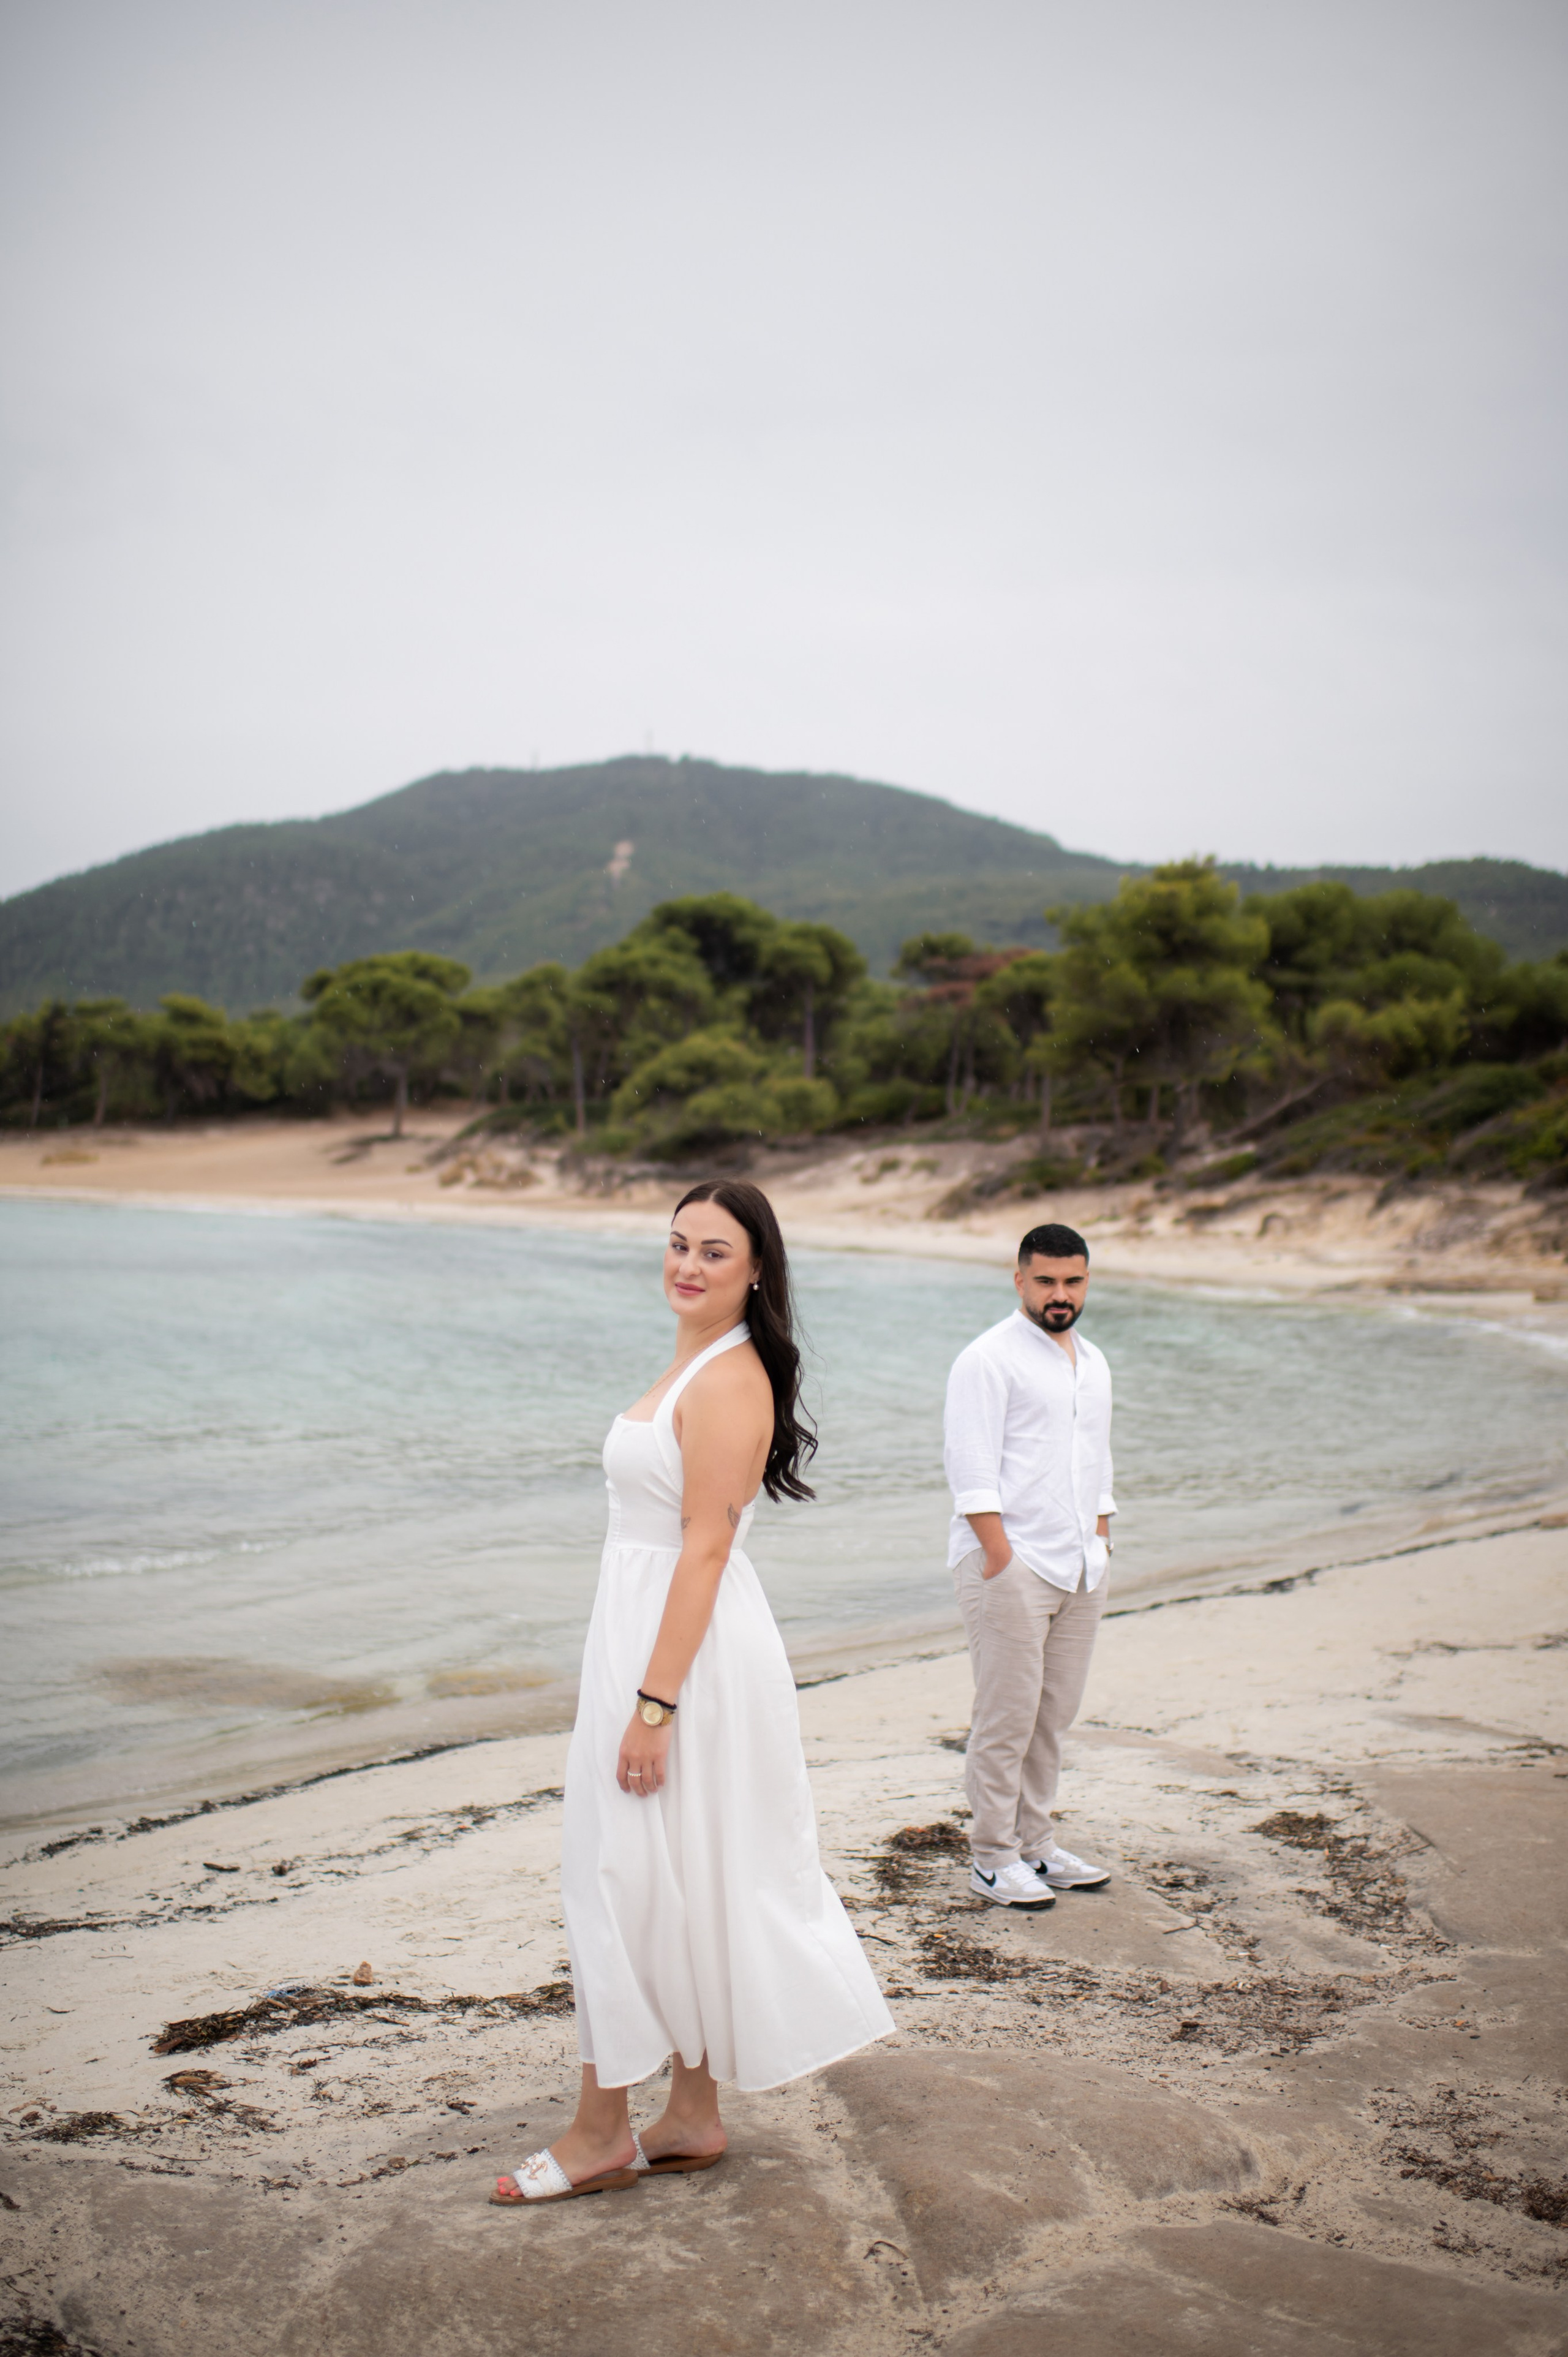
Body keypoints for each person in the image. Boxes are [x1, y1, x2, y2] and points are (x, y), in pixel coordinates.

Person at [494, 1178, 893, 2204]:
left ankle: (598, 2131)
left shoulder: (729, 1379)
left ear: (758, 1268)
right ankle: (692, 2112)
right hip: (651, 1635)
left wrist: (654, 1704)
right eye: (678, 1243)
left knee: (618, 1873)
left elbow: (706, 1550)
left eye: (715, 1251)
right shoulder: (698, 1361)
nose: (687, 1265)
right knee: (675, 1871)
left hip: (686, 1657)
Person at [943, 1221, 1115, 1911]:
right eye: (1045, 1280)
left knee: (1053, 1714)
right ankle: (991, 1856)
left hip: (1080, 1564)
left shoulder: (1093, 1360)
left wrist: (1101, 1536)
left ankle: (1036, 1845)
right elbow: (970, 1465)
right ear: (1019, 1279)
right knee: (1006, 1715)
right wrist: (997, 1553)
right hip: (1010, 1566)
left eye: (1072, 1280)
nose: (1059, 1293)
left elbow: (1097, 1458)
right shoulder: (986, 1358)